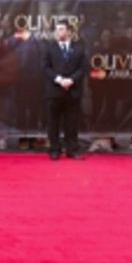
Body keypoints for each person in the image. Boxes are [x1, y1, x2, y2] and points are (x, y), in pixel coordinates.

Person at [43, 18, 87, 160]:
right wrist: (60, 80)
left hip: (73, 91)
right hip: (54, 92)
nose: (59, 32)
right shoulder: (49, 48)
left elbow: (83, 68)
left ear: (69, 31)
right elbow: (45, 67)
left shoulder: (79, 48)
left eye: (62, 29)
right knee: (53, 123)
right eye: (57, 29)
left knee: (72, 123)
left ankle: (72, 150)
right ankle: (54, 149)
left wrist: (71, 80)